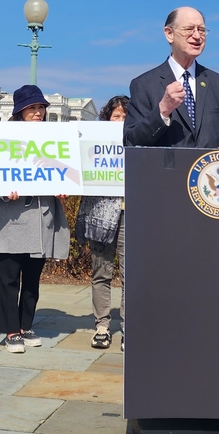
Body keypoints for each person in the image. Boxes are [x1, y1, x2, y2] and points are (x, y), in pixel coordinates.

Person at [0, 85, 70, 354]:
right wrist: (3, 192)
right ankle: (11, 331)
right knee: (9, 277)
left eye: (41, 107)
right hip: (11, 218)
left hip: (41, 217)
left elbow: (65, 171)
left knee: (33, 278)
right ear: (20, 112)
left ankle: (26, 325)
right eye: (32, 108)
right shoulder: (3, 138)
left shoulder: (55, 140)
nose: (38, 112)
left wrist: (64, 184)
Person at [124, 7, 219, 151]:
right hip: (166, 173)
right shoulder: (144, 85)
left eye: (201, 30)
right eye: (189, 29)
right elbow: (131, 143)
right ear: (169, 34)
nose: (197, 36)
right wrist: (162, 110)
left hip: (211, 171)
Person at [75, 95, 129, 350]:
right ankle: (102, 326)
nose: (120, 121)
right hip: (100, 215)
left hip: (131, 214)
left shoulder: (139, 144)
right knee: (101, 273)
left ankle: (129, 328)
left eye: (125, 117)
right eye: (115, 116)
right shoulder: (93, 143)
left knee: (130, 275)